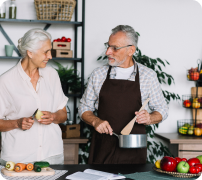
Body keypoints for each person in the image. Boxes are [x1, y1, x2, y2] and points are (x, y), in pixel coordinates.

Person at [78, 25, 169, 164]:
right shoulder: (98, 74)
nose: (108, 52)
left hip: (134, 149)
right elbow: (84, 108)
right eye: (108, 46)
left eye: (115, 48)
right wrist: (95, 121)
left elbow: (162, 110)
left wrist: (150, 117)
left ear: (130, 50)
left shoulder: (148, 76)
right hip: (103, 149)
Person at [0, 28, 68, 165]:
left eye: (50, 51)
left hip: (52, 155)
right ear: (30, 53)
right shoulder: (5, 81)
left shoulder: (52, 75)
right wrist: (16, 123)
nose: (50, 56)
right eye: (46, 52)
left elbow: (63, 114)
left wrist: (54, 116)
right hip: (18, 159)